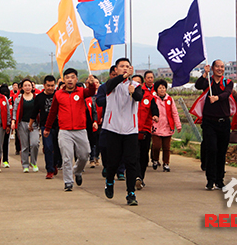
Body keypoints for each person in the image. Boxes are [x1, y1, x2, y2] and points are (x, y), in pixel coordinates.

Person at [44, 68, 96, 191]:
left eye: (72, 77)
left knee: (84, 155)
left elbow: (92, 92)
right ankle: (68, 182)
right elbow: (52, 112)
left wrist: (92, 83)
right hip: (65, 130)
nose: (70, 80)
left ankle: (77, 171)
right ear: (64, 80)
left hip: (80, 129)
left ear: (76, 79)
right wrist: (47, 128)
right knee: (67, 157)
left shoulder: (82, 92)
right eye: (67, 77)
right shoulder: (58, 94)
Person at [102, 58, 144, 206]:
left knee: (131, 162)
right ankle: (109, 181)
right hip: (113, 128)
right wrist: (123, 77)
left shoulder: (136, 85)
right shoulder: (111, 85)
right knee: (113, 161)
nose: (125, 68)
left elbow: (139, 97)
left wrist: (134, 91)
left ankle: (130, 193)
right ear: (116, 69)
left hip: (130, 129)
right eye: (122, 66)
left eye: (127, 66)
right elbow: (110, 86)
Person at [194, 60, 235, 190]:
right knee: (212, 150)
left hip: (224, 122)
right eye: (217, 66)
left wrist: (217, 98)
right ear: (212, 68)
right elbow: (198, 85)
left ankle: (220, 180)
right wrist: (205, 74)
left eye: (222, 67)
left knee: (221, 152)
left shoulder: (227, 83)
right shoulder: (208, 82)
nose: (220, 69)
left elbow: (227, 93)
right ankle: (210, 180)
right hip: (209, 122)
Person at [151, 79, 181, 172]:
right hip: (156, 126)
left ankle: (166, 163)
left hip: (168, 127)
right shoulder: (153, 99)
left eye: (163, 88)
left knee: (166, 147)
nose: (162, 90)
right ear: (156, 90)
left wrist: (178, 125)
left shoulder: (170, 100)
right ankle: (155, 160)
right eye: (160, 88)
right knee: (156, 146)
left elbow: (174, 113)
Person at [33, 75, 59, 179]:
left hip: (58, 126)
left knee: (58, 148)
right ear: (44, 85)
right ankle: (50, 170)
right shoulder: (39, 97)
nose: (50, 88)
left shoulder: (58, 95)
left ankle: (55, 163)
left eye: (52, 85)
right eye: (48, 85)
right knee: (48, 148)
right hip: (45, 127)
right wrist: (31, 124)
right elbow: (34, 112)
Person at [12, 79, 40, 173]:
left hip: (34, 124)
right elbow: (15, 110)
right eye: (25, 85)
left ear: (32, 87)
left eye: (29, 85)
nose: (27, 87)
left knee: (34, 143)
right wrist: (13, 121)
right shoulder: (19, 98)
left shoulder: (36, 98)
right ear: (22, 87)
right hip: (22, 124)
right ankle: (25, 165)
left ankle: (33, 163)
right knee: (24, 146)